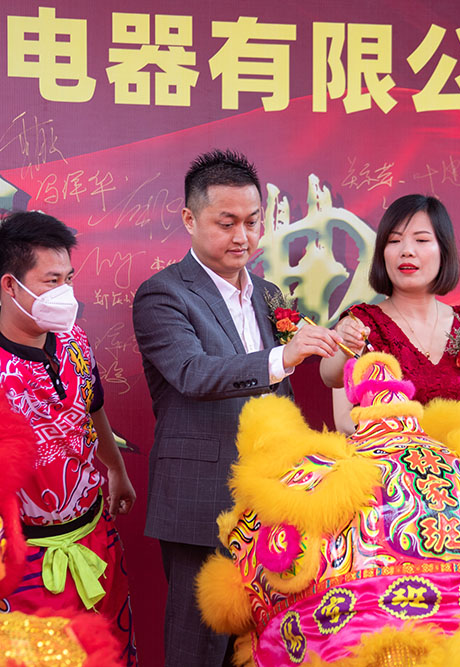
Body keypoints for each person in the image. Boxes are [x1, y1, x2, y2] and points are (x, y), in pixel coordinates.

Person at [132, 149, 350, 666]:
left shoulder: (267, 293)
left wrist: (340, 341)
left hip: (273, 500)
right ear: (190, 220)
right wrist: (282, 357)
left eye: (252, 222)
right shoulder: (163, 295)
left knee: (270, 643)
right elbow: (192, 372)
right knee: (198, 649)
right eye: (225, 223)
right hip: (200, 500)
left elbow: (287, 386)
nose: (242, 237)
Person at [0, 211, 137, 665]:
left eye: (68, 279)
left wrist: (116, 470)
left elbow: (93, 409)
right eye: (51, 281)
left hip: (95, 539)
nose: (65, 293)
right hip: (24, 562)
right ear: (10, 286)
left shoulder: (75, 339)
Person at [321, 194, 460, 434]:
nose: (407, 251)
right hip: (385, 454)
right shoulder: (360, 324)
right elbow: (342, 416)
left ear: (444, 250)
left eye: (421, 240)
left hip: (458, 456)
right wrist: (343, 346)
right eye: (394, 241)